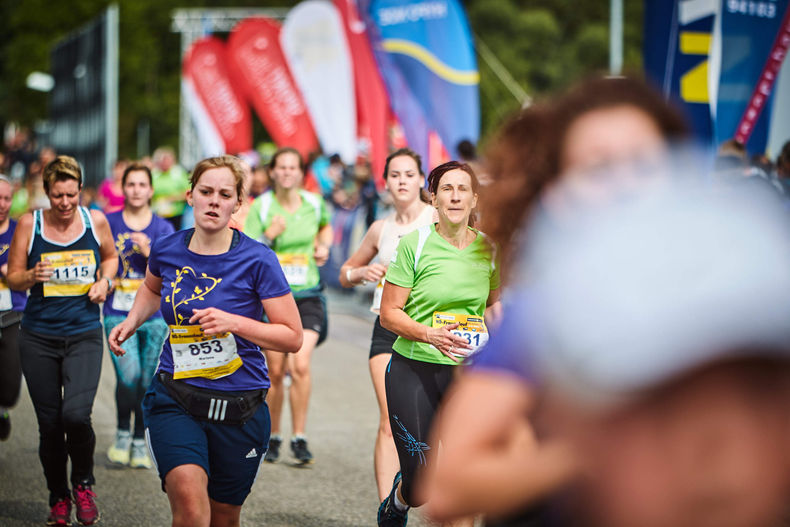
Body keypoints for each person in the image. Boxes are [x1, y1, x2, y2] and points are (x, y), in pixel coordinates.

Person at [418, 76, 691, 524]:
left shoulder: (721, 310)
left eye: (644, 164)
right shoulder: (542, 319)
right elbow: (448, 488)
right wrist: (587, 453)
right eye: (599, 167)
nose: (624, 183)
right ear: (556, 194)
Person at [108, 155, 303, 527]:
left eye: (225, 194)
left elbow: (292, 337)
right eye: (206, 191)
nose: (214, 201)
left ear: (237, 203)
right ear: (190, 196)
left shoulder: (259, 259)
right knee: (191, 510)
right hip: (176, 398)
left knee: (224, 518)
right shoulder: (167, 248)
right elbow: (152, 288)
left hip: (240, 406)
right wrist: (131, 321)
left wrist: (235, 323)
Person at [377, 161, 501, 527]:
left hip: (468, 373)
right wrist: (429, 334)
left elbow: (491, 306)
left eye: (463, 189)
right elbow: (389, 314)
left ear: (474, 199)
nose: (455, 196)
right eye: (447, 189)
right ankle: (399, 500)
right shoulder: (414, 245)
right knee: (420, 485)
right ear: (434, 198)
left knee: (465, 475)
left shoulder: (489, 250)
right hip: (414, 369)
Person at [6, 155, 117, 526]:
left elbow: (111, 257)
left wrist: (105, 281)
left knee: (76, 416)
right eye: (58, 196)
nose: (66, 203)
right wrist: (31, 275)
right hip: (39, 337)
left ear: (81, 190)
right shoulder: (30, 223)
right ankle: (58, 495)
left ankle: (83, 482)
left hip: (84, 334)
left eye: (72, 195)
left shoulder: (95, 220)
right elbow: (13, 277)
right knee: (50, 424)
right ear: (47, 193)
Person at [338, 148, 435, 501]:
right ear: (386, 182)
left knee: (433, 423)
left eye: (409, 174)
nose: (402, 181)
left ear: (421, 179)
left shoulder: (437, 219)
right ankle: (388, 509)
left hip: (431, 330)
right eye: (395, 175)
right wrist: (361, 272)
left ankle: (425, 490)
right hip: (387, 329)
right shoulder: (381, 228)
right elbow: (345, 273)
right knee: (388, 418)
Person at [243, 147, 332, 464]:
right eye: (281, 167)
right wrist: (269, 235)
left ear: (301, 172)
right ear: (272, 172)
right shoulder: (262, 206)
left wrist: (323, 246)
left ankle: (300, 437)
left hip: (307, 294)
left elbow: (325, 226)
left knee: (300, 365)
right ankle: (274, 435)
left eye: (293, 167)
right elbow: (248, 250)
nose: (286, 173)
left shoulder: (314, 203)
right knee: (276, 371)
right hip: (273, 298)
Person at [103, 163, 174, 469]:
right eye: (130, 184)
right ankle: (121, 433)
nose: (136, 190)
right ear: (123, 188)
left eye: (142, 184)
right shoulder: (108, 223)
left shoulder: (164, 228)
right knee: (128, 375)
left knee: (146, 380)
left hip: (154, 317)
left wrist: (149, 254)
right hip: (117, 312)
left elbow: (172, 272)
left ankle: (138, 440)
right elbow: (100, 259)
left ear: (151, 190)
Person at [0, 174, 27, 441]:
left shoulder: (20, 231)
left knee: (9, 390)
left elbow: (35, 270)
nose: (2, 204)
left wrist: (18, 273)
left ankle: (2, 409)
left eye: (7, 198)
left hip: (12, 314)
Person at [152, 147, 190, 231]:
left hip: (176, 214)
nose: (165, 162)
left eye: (167, 160)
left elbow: (188, 192)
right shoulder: (154, 174)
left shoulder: (178, 173)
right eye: (163, 160)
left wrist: (172, 198)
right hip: (158, 213)